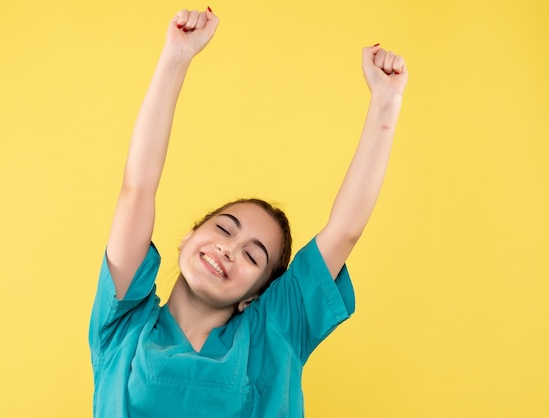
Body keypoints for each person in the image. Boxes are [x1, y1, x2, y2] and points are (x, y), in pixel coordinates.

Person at [89, 7, 408, 418]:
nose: (228, 249)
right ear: (189, 236)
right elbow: (137, 189)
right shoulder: (123, 324)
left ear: (255, 294)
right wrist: (176, 56)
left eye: (252, 255)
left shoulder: (275, 332)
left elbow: (345, 230)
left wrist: (386, 101)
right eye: (224, 228)